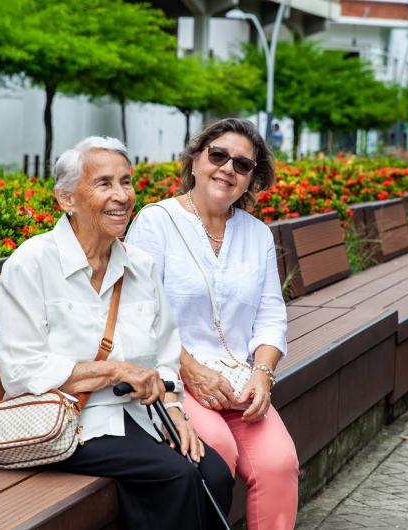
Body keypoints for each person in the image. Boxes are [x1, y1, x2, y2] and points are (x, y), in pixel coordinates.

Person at [0, 136, 233, 530]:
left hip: (141, 418)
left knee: (216, 474)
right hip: (69, 423)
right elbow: (20, 370)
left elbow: (165, 353)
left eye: (126, 182)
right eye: (104, 184)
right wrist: (116, 371)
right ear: (67, 199)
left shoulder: (141, 265)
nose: (122, 196)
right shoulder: (30, 264)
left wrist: (177, 414)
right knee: (175, 476)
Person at [126, 118, 299, 530]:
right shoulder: (157, 222)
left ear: (252, 179)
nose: (228, 169)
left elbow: (271, 314)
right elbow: (140, 312)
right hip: (176, 379)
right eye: (218, 155)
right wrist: (192, 371)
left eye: (243, 164)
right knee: (216, 449)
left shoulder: (256, 234)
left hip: (238, 383)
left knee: (280, 464)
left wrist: (263, 373)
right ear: (195, 160)